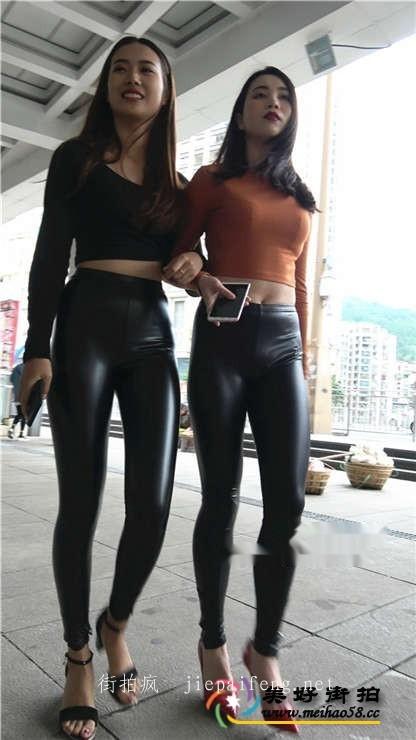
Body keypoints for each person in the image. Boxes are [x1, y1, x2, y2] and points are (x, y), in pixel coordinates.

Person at [19, 36, 203, 740]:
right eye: (120, 68)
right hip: (84, 325)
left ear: (166, 89)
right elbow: (48, 255)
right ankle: (77, 656)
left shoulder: (177, 188)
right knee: (81, 502)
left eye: (147, 69)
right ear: (105, 86)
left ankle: (115, 622)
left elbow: (194, 259)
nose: (132, 78)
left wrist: (193, 264)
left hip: (153, 336)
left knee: (153, 504)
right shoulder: (76, 159)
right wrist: (38, 348)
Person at [164, 66, 318, 732]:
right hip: (223, 338)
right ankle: (214, 645)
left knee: (286, 504)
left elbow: (302, 282)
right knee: (220, 500)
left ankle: (266, 650)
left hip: (283, 344)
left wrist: (303, 358)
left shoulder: (299, 194)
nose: (273, 103)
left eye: (283, 96)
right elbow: (179, 252)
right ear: (241, 110)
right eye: (261, 93)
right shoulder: (212, 180)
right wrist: (197, 274)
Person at [8, 362, 27, 439]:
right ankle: (20, 433)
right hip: (24, 395)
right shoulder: (27, 369)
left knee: (20, 414)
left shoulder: (16, 368)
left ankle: (13, 429)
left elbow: (11, 379)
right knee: (24, 415)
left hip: (16, 396)